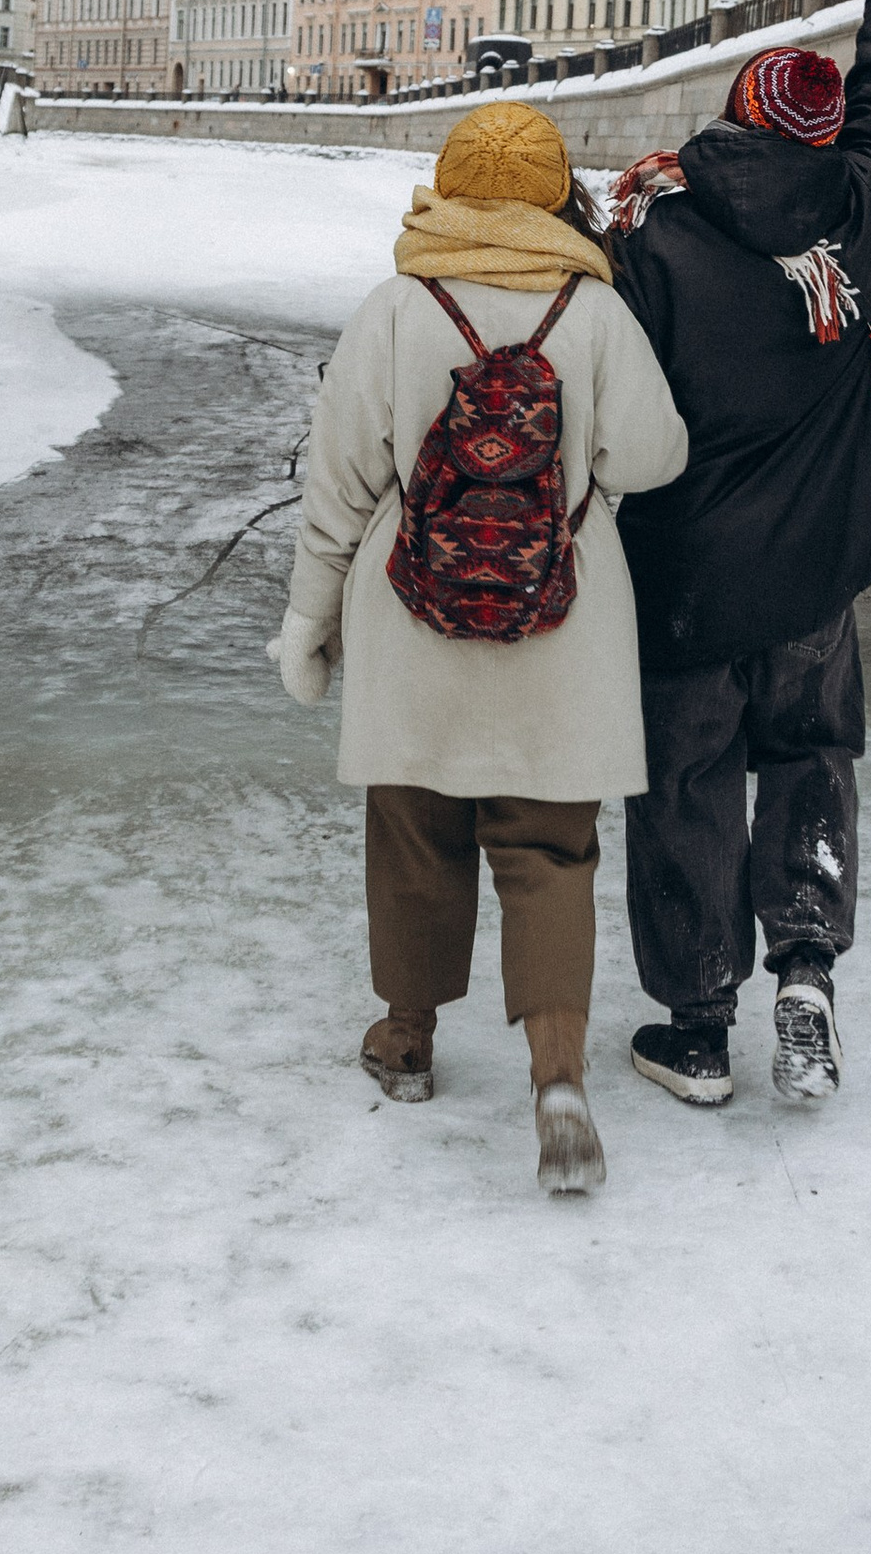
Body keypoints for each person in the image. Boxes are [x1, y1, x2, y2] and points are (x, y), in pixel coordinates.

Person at [270, 97, 688, 1194]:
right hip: (563, 627)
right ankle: (555, 1078)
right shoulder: (596, 315)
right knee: (549, 852)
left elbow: (338, 491)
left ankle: (407, 1037)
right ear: (557, 198)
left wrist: (307, 626)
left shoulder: (395, 308)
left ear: (447, 188)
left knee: (414, 831)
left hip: (412, 623)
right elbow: (651, 458)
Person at [608, 0, 871, 1113]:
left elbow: (608, 390)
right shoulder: (859, 218)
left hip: (688, 578)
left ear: (733, 121)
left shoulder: (661, 238)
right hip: (815, 575)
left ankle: (699, 1028)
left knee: (687, 784)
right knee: (809, 761)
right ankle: (805, 970)